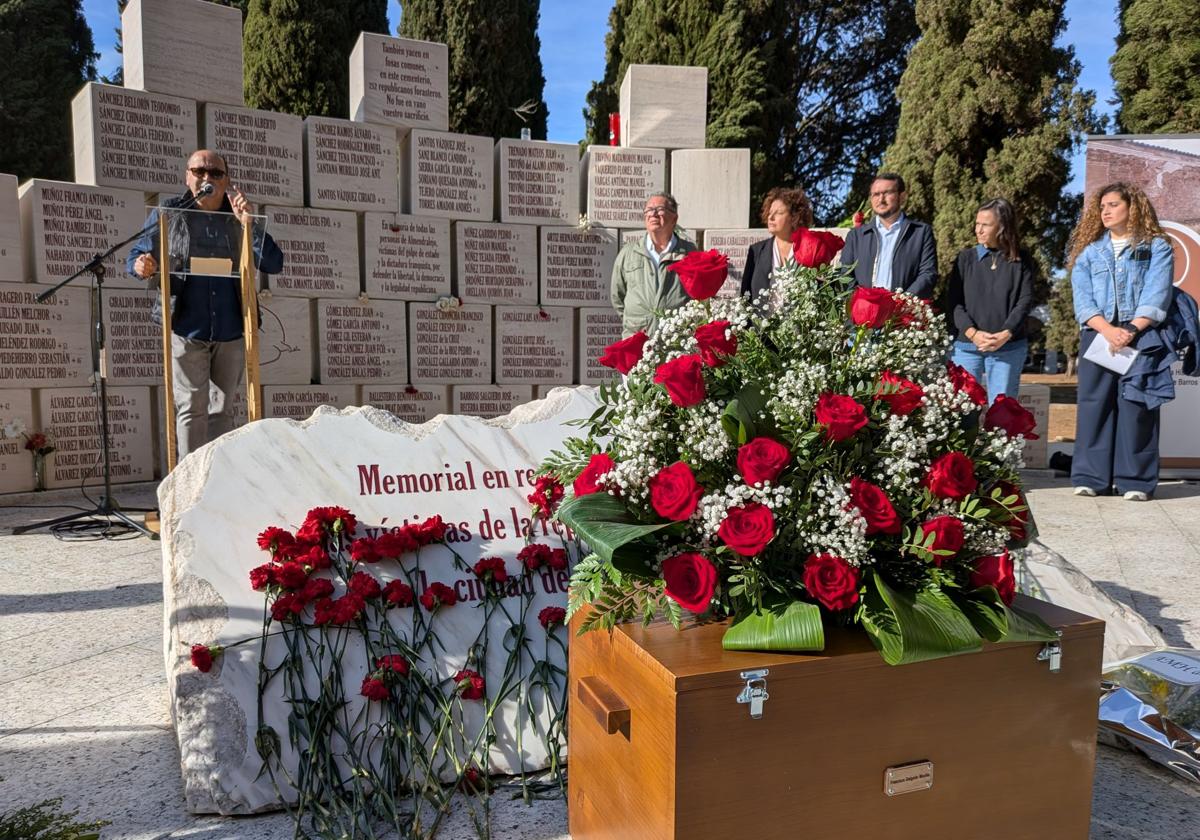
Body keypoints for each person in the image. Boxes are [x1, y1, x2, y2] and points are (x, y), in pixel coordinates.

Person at [128, 149, 284, 459]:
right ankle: (189, 485)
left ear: (227, 181)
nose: (206, 178)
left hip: (232, 328)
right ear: (187, 176)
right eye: (199, 171)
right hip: (186, 325)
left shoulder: (239, 217)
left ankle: (215, 483)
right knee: (191, 407)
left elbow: (274, 263)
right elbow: (136, 255)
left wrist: (249, 225)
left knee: (222, 408)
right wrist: (141, 265)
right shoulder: (169, 212)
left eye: (215, 173)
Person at [1067, 182, 1173, 501]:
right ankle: (1090, 478)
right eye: (1102, 207)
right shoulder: (1089, 252)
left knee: (1136, 406)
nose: (1105, 211)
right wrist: (1106, 329)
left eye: (1113, 205)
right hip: (1098, 335)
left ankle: (1135, 482)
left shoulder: (1157, 246)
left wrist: (1129, 329)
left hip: (1139, 335)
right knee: (1093, 406)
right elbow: (1082, 299)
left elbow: (1158, 292)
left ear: (1133, 207)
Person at [946, 198, 1035, 404]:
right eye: (977, 223)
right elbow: (954, 302)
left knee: (1002, 414)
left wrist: (1005, 334)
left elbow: (1025, 300)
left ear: (1002, 226)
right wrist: (973, 334)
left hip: (1008, 349)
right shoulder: (965, 258)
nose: (978, 229)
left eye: (985, 224)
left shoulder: (1022, 259)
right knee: (963, 412)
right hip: (967, 348)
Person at [610, 192, 699, 338]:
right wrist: (637, 319)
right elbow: (618, 297)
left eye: (659, 209)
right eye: (649, 210)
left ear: (674, 218)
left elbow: (698, 295)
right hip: (638, 340)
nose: (653, 214)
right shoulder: (628, 253)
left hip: (676, 341)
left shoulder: (689, 253)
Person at [839, 172, 937, 299]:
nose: (881, 199)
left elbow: (928, 273)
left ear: (902, 197)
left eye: (887, 193)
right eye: (876, 194)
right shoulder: (856, 236)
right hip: (864, 314)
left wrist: (903, 303)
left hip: (904, 314)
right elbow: (844, 274)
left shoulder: (920, 233)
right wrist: (862, 304)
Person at [741, 187, 814, 300]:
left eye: (779, 213)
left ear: (794, 217)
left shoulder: (810, 251)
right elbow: (745, 295)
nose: (771, 217)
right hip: (760, 317)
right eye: (769, 212)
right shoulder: (756, 251)